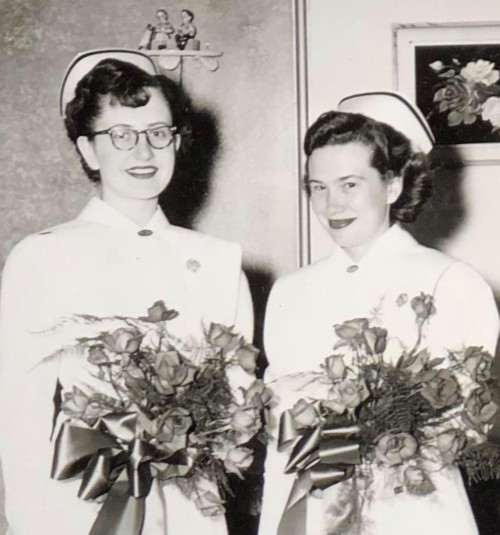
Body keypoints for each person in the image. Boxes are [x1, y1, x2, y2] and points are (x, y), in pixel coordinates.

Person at [0, 48, 253, 534]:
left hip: (189, 508)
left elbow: (235, 416)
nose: (144, 152)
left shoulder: (221, 263)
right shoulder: (42, 257)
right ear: (88, 149)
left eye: (159, 133)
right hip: (77, 503)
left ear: (177, 142)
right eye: (121, 135)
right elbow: (21, 420)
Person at [259, 91, 499, 535]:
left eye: (350, 184)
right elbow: (280, 419)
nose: (332, 205)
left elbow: (461, 421)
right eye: (319, 187)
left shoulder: (451, 281)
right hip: (305, 502)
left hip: (411, 507)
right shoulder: (289, 291)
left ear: (392, 185)